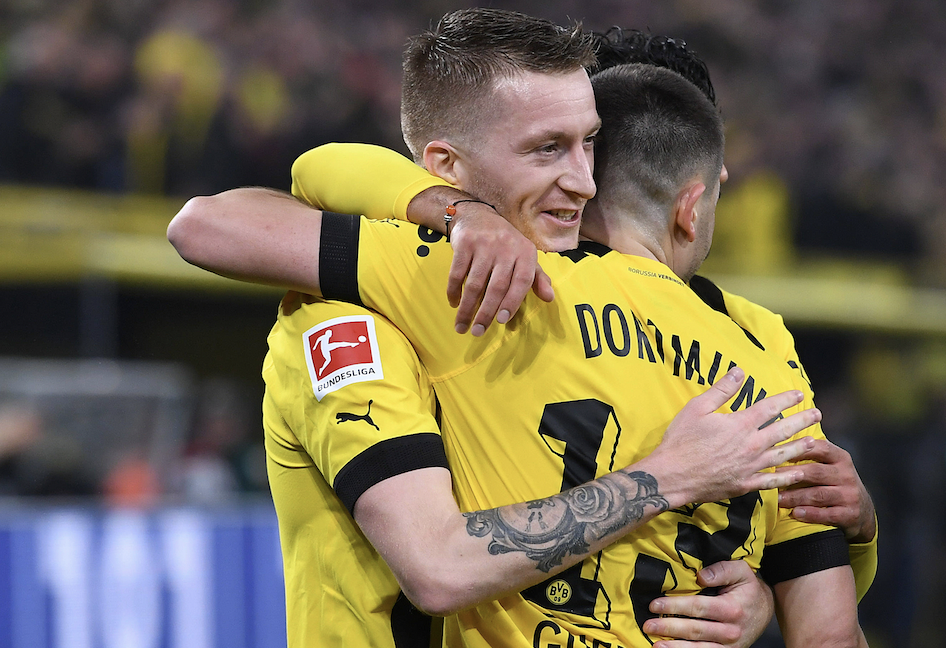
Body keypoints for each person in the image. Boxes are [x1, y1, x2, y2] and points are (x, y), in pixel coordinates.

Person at [168, 10, 869, 647]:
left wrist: (778, 580)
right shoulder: (757, 349)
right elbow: (439, 565)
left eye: (590, 145)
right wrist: (458, 212)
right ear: (694, 201)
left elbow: (304, 176)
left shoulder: (458, 281)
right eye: (548, 148)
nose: (583, 180)